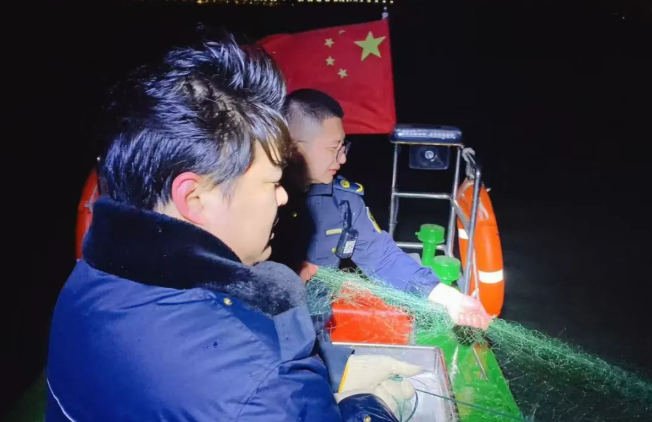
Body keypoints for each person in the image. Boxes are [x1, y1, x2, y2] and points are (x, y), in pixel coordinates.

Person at [45, 33, 420, 422]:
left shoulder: (83, 284)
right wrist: (369, 406)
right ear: (195, 198)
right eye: (271, 183)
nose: (283, 198)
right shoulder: (261, 386)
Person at [271, 89, 492, 345]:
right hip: (262, 331)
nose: (342, 158)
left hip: (315, 330)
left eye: (343, 147)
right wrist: (286, 271)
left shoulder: (344, 201)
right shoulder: (257, 199)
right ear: (293, 148)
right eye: (333, 148)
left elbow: (382, 256)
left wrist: (449, 298)